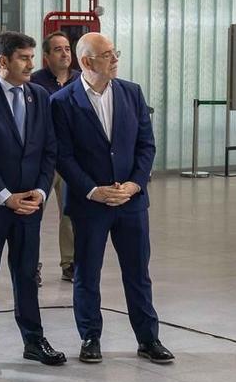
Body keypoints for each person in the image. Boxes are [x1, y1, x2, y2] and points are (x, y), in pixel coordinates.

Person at [51, 32, 174, 365]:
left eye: (115, 52)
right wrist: (93, 190)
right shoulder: (62, 102)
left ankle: (149, 338)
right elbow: (63, 156)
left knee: (137, 272)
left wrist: (134, 185)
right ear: (87, 61)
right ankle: (90, 337)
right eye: (108, 54)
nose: (115, 59)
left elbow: (146, 145)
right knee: (86, 273)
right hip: (90, 204)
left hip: (131, 202)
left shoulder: (131, 93)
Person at [0, 30, 66, 374]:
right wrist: (6, 197)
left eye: (33, 58)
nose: (31, 64)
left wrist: (40, 190)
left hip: (29, 206)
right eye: (24, 58)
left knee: (26, 275)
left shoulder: (39, 97)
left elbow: (49, 149)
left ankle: (33, 341)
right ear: (3, 61)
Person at [29, 31, 78, 283]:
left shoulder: (80, 81)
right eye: (58, 49)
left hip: (71, 159)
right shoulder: (34, 82)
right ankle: (31, 265)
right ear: (46, 56)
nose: (64, 53)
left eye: (67, 48)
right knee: (33, 212)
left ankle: (69, 263)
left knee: (70, 214)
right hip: (43, 160)